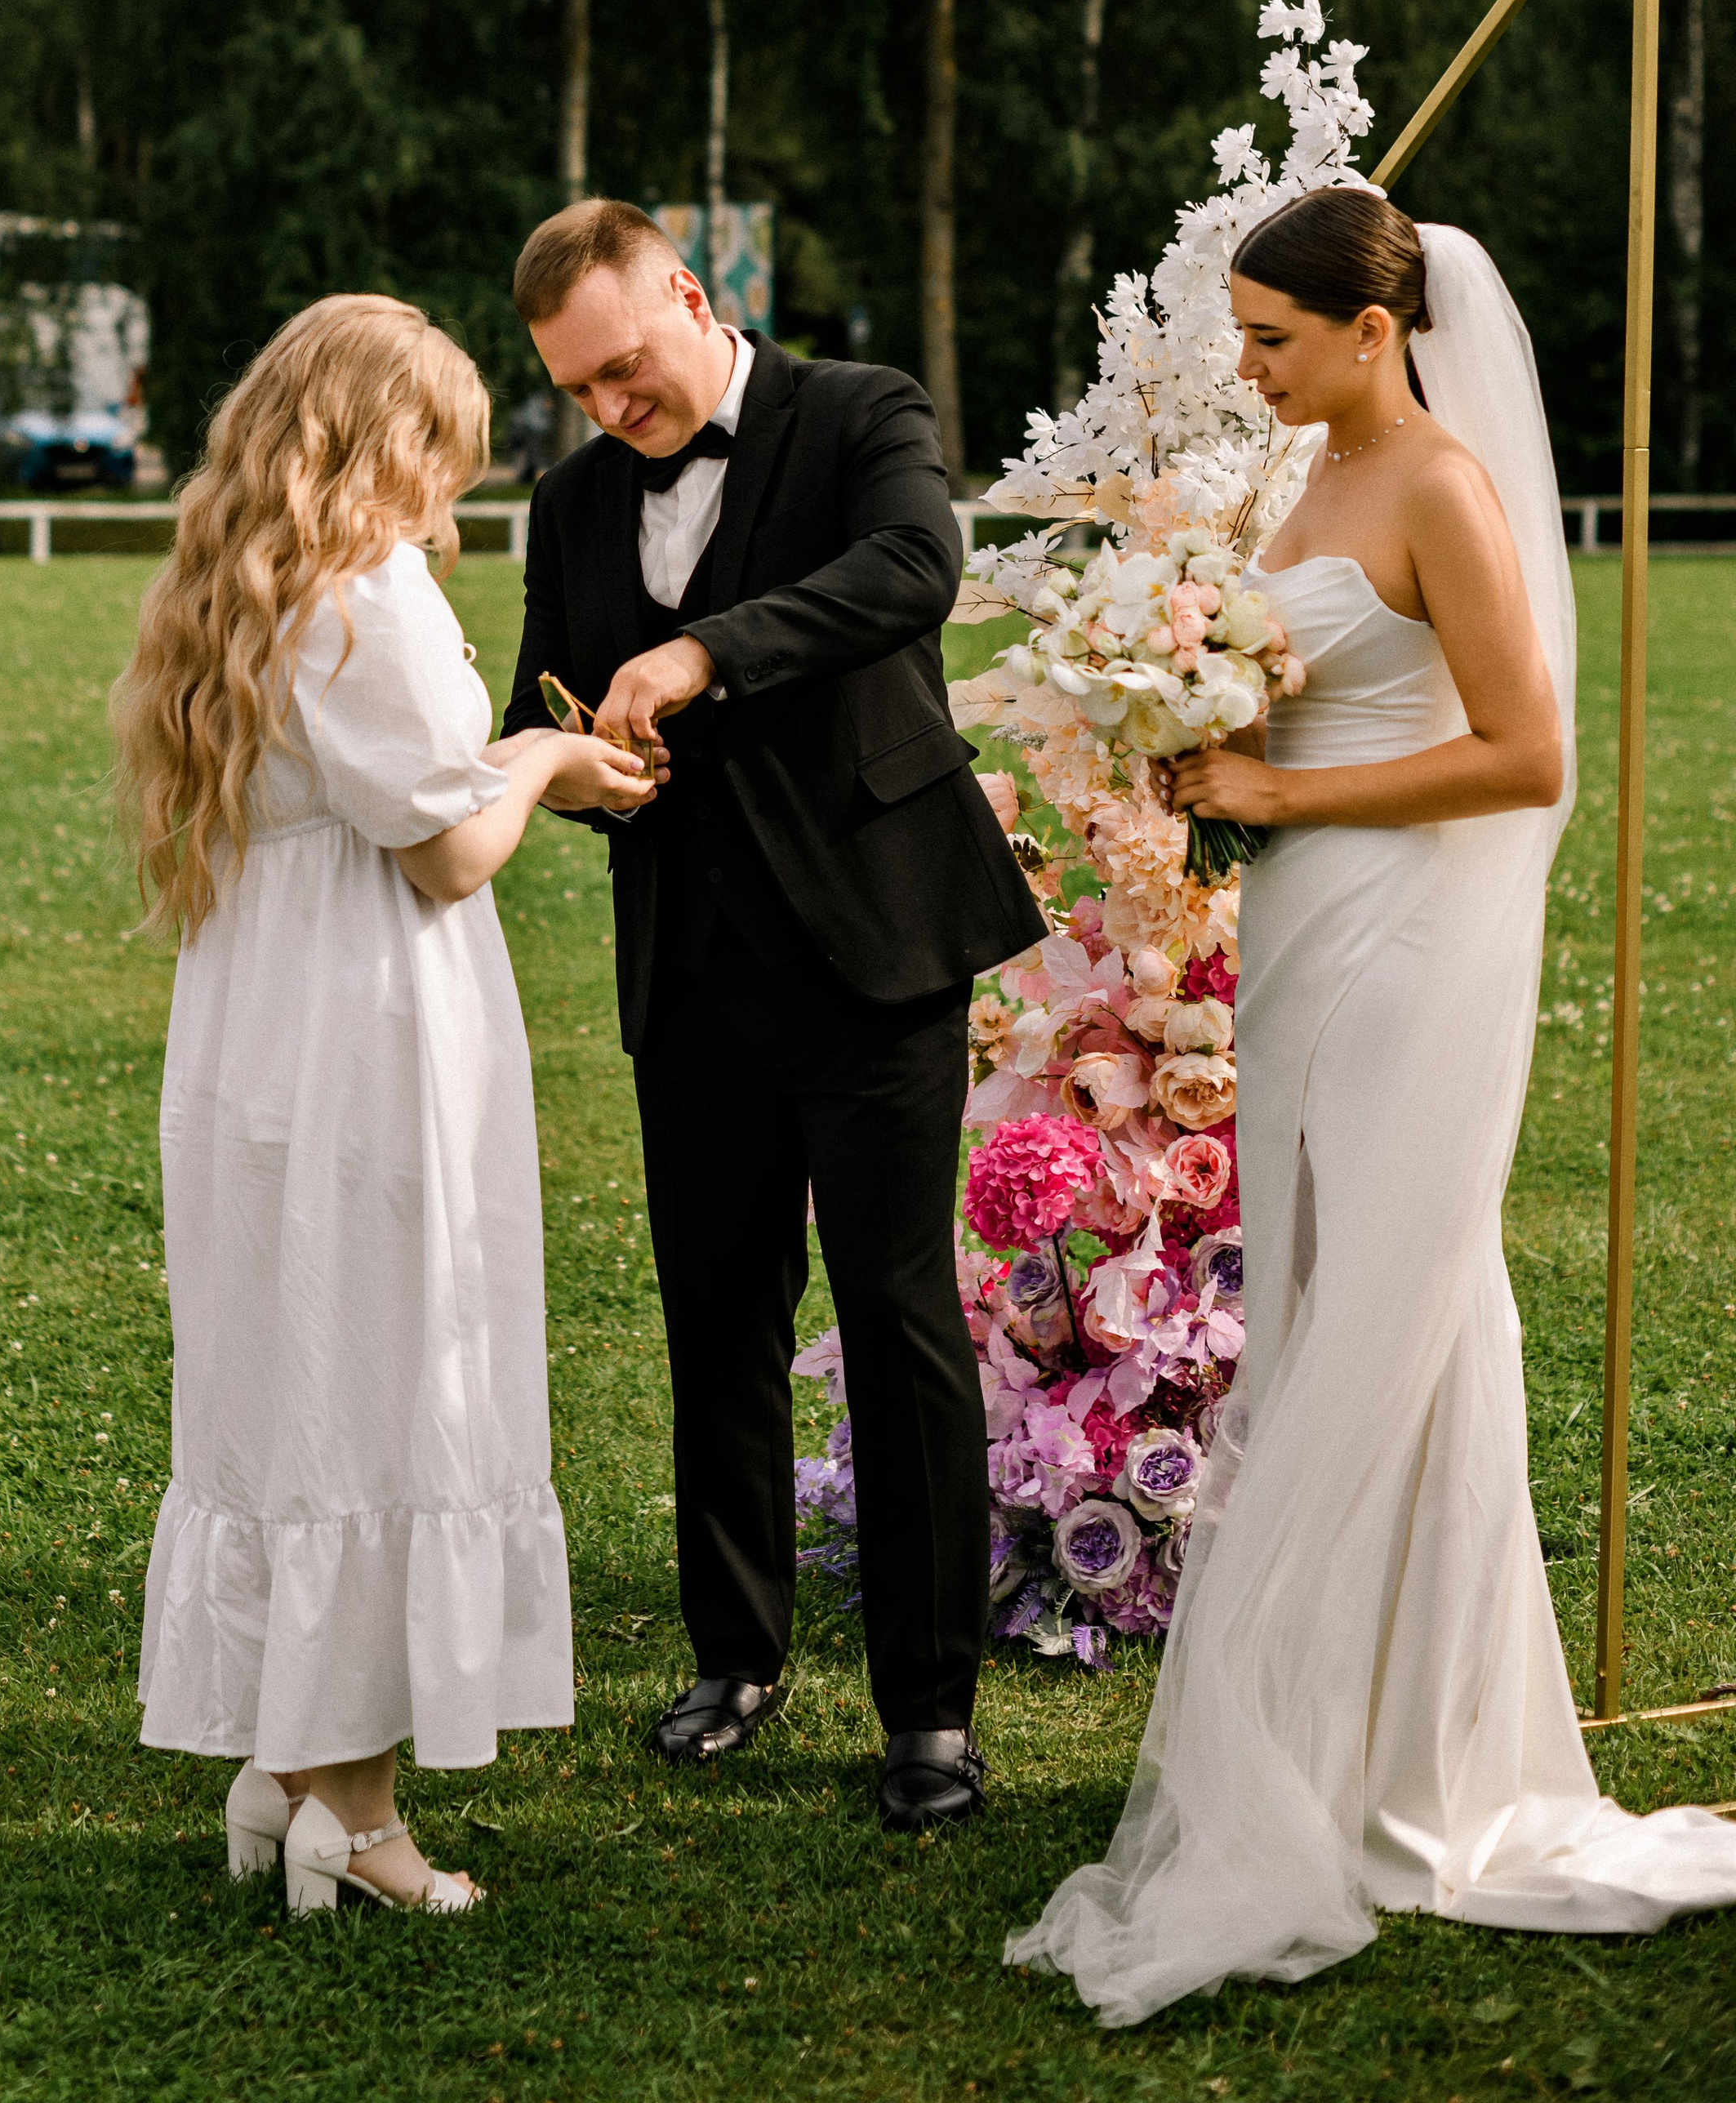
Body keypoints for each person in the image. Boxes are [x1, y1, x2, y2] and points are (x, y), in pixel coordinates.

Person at [1009, 187, 1736, 2021]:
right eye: (1236, 337)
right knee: (1327, 1296)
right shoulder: (1302, 479)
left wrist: (1278, 798)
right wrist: (1175, 734)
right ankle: (1376, 1737)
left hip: (1403, 940)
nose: (1242, 370)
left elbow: (1524, 750)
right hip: (1299, 936)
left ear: (1368, 328)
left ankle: (1407, 1774)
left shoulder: (1435, 487)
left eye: (1267, 338)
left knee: (1397, 1304)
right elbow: (1292, 690)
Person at [114, 295, 652, 1916]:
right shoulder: (371, 597)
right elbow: (442, 850)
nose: (458, 497)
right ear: (380, 442)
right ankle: (356, 1813)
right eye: (447, 459)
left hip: (258, 1025)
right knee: (378, 1359)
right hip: (368, 1031)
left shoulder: (242, 588)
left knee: (291, 1361)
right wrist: (553, 760)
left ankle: (278, 1769)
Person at [503, 199, 1038, 1829]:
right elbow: (544, 693)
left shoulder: (859, 410)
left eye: (623, 370)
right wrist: (592, 768)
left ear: (686, 290)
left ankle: (928, 1710)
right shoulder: (571, 500)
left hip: (874, 953)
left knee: (894, 1317)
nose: (610, 410)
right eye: (577, 391)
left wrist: (699, 657)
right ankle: (733, 1654)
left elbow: (908, 571)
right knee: (714, 1323)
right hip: (691, 971)